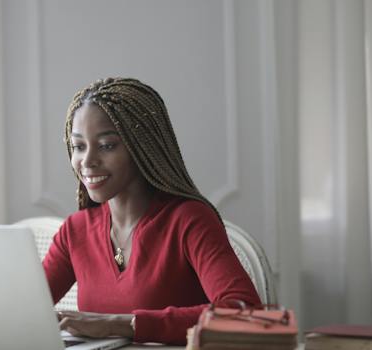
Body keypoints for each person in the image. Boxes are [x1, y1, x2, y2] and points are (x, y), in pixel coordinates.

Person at [42, 77, 261, 345]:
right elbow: (23, 309)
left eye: (107, 145)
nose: (87, 161)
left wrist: (122, 324)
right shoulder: (75, 231)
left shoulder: (188, 220)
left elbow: (245, 313)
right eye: (78, 146)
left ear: (142, 146)